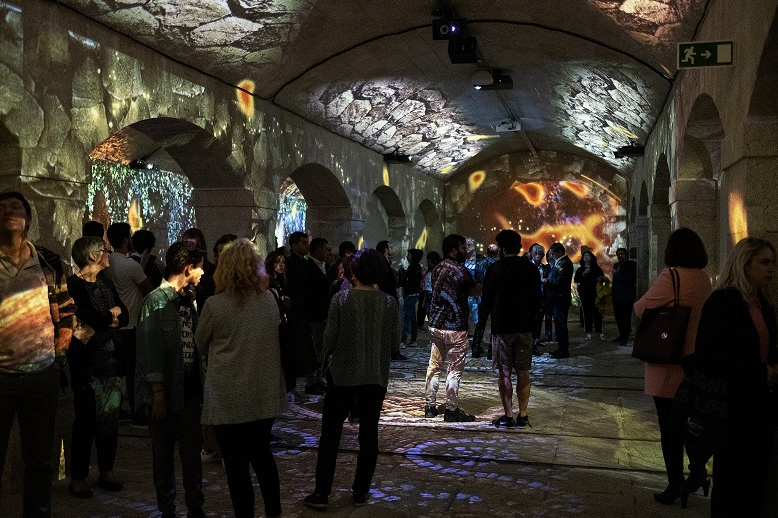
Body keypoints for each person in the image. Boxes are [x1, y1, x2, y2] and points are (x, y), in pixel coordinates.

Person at [195, 239, 286, 518]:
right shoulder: (270, 298)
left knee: (235, 464)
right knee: (262, 455)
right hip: (264, 390)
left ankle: (244, 514)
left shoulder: (213, 305)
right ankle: (274, 511)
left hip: (228, 394)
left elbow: (199, 343)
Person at [303, 249, 400, 509]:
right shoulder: (390, 302)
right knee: (369, 435)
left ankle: (322, 493)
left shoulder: (341, 300)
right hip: (375, 376)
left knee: (331, 435)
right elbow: (394, 344)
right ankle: (360, 491)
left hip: (343, 374)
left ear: (353, 272)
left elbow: (330, 340)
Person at [0, 191, 75, 517]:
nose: (7, 213)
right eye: (0, 209)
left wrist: (57, 361)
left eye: (15, 207)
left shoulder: (47, 263)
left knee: (41, 460)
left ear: (28, 219)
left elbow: (67, 315)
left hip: (41, 374)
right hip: (0, 376)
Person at [693, 237, 778, 517]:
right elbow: (709, 357)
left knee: (756, 482)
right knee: (731, 484)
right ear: (744, 263)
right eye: (764, 262)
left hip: (760, 407)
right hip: (732, 409)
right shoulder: (724, 301)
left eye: (773, 263)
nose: (771, 269)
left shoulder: (763, 304)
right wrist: (757, 373)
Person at [632, 227, 711, 508]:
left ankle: (675, 484)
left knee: (669, 426)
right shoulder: (703, 279)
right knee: (688, 422)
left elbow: (641, 308)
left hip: (667, 360)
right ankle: (698, 472)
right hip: (693, 360)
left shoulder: (672, 276)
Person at [135, 241, 206, 518]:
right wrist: (158, 393)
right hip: (164, 393)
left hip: (189, 391)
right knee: (163, 457)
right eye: (200, 268)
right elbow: (149, 352)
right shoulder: (155, 301)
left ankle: (195, 508)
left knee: (191, 456)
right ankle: (167, 509)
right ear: (188, 268)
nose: (202, 273)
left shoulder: (190, 298)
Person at [66, 236, 128, 498]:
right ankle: (79, 477)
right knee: (85, 420)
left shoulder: (106, 282)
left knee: (110, 418)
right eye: (104, 250)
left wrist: (110, 318)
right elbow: (84, 320)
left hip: (111, 361)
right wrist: (108, 317)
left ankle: (106, 470)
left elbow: (123, 313)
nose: (108, 252)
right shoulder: (74, 285)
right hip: (87, 364)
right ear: (92, 256)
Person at [480, 230, 541, 428]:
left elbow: (486, 299)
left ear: (503, 248)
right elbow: (537, 299)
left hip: (503, 327)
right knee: (523, 371)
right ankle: (523, 415)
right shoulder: (531, 269)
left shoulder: (495, 269)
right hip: (525, 327)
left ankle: (508, 415)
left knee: (504, 372)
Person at [424, 234, 481, 422]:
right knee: (454, 370)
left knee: (434, 366)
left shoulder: (437, 268)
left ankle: (430, 406)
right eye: (463, 248)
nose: (466, 251)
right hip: (455, 326)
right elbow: (475, 291)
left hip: (436, 325)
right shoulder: (460, 270)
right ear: (454, 250)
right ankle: (451, 409)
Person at [105, 222, 153, 427]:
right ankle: (137, 411)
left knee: (116, 371)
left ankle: (114, 410)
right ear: (126, 239)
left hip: (113, 326)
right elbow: (148, 290)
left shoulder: (107, 263)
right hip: (132, 325)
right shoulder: (129, 265)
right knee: (134, 371)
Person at [200, 233, 237, 465]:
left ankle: (227, 449)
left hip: (228, 359)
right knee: (213, 405)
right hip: (216, 358)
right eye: (218, 252)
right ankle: (213, 447)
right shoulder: (208, 281)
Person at [377, 240, 406, 361]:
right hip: (387, 299)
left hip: (388, 298)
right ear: (385, 249)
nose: (391, 250)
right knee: (391, 327)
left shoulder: (383, 262)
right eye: (390, 247)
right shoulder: (382, 263)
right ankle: (393, 351)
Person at [545, 242, 574, 358]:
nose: (551, 256)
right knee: (558, 325)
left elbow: (561, 282)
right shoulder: (559, 262)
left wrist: (548, 281)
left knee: (561, 325)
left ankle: (563, 350)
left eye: (552, 253)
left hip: (560, 299)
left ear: (559, 252)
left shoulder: (565, 263)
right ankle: (560, 347)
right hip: (556, 299)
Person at [574, 250, 605, 341]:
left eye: (588, 255)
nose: (586, 257)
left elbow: (602, 278)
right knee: (586, 312)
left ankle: (600, 331)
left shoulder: (597, 269)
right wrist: (584, 273)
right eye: (585, 256)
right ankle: (588, 331)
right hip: (584, 293)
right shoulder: (580, 269)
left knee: (597, 312)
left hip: (595, 293)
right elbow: (576, 279)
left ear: (592, 258)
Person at [611, 247, 637, 345]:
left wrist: (617, 274)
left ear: (626, 255)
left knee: (625, 316)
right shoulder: (616, 265)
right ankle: (621, 334)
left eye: (622, 254)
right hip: (617, 295)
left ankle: (625, 336)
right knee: (618, 316)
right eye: (618, 254)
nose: (620, 256)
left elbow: (628, 278)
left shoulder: (631, 265)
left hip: (626, 295)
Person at [529, 243, 550, 354]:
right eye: (536, 253)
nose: (538, 256)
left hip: (541, 298)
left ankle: (535, 341)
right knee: (531, 321)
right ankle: (531, 344)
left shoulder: (545, 268)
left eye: (540, 254)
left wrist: (546, 281)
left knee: (538, 321)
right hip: (530, 298)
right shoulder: (527, 266)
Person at [399, 248, 423, 347]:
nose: (407, 256)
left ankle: (403, 340)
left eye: (408, 255)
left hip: (410, 295)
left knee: (407, 318)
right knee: (412, 318)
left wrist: (402, 273)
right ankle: (413, 339)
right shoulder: (417, 267)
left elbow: (406, 281)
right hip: (414, 294)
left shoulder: (413, 268)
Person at [417, 251, 441, 332]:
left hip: (432, 293)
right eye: (429, 260)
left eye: (431, 261)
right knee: (425, 310)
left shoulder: (438, 270)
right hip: (426, 292)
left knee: (430, 311)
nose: (430, 263)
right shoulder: (428, 270)